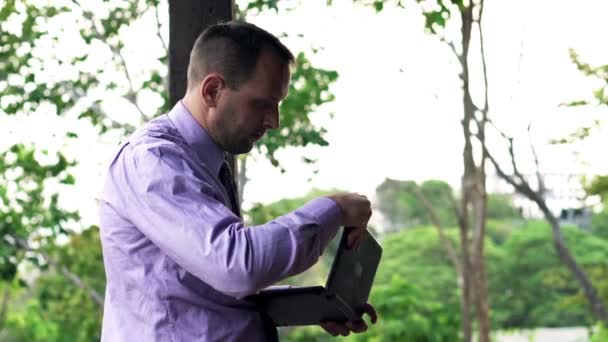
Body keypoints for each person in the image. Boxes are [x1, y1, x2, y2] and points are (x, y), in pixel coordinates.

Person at [98, 21, 377, 341]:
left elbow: (204, 289)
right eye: (263, 104)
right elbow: (235, 266)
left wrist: (310, 305)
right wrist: (334, 209)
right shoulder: (153, 160)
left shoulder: (204, 163)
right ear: (213, 90)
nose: (274, 121)